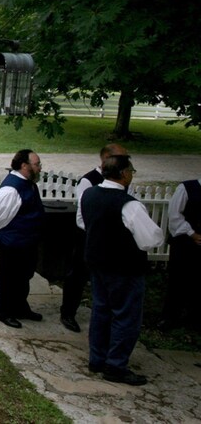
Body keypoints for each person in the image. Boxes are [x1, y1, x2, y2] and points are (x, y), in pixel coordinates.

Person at [81, 155, 164, 385]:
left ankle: (97, 358)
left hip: (98, 262)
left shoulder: (90, 194)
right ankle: (116, 365)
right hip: (123, 267)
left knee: (101, 311)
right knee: (125, 317)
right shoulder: (129, 204)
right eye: (131, 171)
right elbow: (150, 238)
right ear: (124, 174)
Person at [64, 143, 128, 332]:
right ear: (106, 158)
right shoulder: (88, 181)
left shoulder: (123, 180)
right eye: (121, 157)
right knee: (77, 275)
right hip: (89, 237)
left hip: (112, 241)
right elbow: (81, 216)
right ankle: (68, 312)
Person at [0, 149, 44, 329]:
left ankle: (20, 307)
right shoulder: (11, 189)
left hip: (27, 242)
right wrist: (4, 236)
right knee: (8, 278)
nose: (40, 168)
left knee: (23, 277)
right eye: (37, 164)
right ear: (24, 166)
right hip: (12, 243)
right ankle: (3, 312)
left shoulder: (28, 183)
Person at [160, 175, 201, 330]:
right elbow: (175, 215)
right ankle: (170, 317)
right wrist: (192, 233)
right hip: (184, 244)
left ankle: (194, 318)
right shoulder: (187, 188)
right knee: (177, 280)